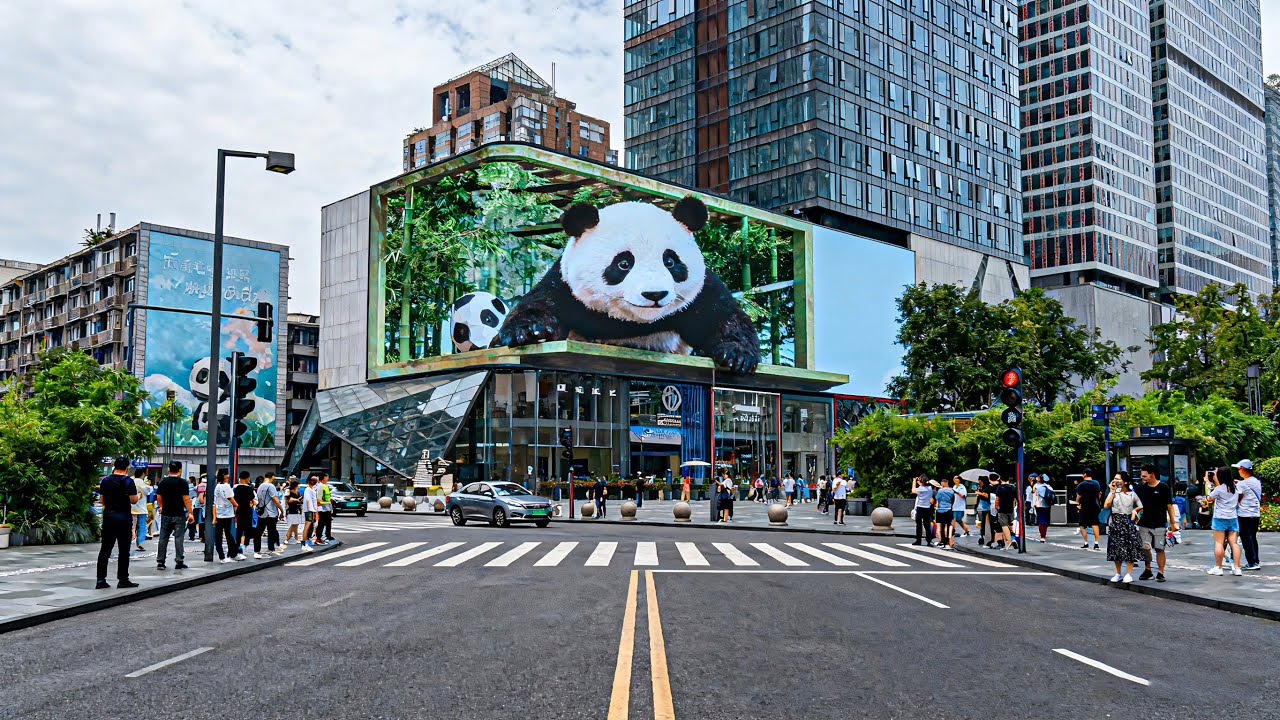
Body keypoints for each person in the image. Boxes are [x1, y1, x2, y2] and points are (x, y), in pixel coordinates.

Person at [96, 457, 141, 589]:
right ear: (127, 467)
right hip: (124, 518)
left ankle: (100, 580)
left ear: (114, 466)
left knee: (105, 548)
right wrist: (137, 495)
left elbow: (101, 500)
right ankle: (123, 579)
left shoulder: (105, 481)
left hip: (109, 517)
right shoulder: (128, 481)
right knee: (124, 549)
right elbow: (133, 500)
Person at [1132, 463, 1177, 583]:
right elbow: (1136, 504)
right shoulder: (1141, 488)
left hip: (1159, 522)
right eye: (1142, 475)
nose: (1143, 478)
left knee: (1159, 548)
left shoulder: (1163, 487)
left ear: (1152, 474)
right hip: (1144, 522)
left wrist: (1173, 523)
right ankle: (1148, 569)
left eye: (1145, 475)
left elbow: (1169, 506)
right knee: (1145, 548)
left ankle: (1161, 572)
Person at [1202, 466, 1244, 576]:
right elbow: (1241, 495)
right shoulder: (1235, 487)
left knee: (1219, 543)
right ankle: (1237, 568)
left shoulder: (1219, 489)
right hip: (1232, 517)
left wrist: (1207, 483)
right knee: (1234, 543)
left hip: (1220, 517)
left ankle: (1218, 567)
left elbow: (1209, 499)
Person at [1104, 472, 1143, 583]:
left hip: (1128, 521)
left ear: (1125, 481)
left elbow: (1140, 505)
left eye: (1118, 479)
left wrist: (1135, 511)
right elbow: (1106, 505)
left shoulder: (1132, 494)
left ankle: (1128, 573)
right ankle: (1118, 573)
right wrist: (1112, 491)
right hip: (1115, 521)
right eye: (1114, 478)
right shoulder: (1113, 493)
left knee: (1129, 547)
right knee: (1115, 548)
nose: (1115, 480)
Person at [154, 461, 192, 570]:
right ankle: (179, 561)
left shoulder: (163, 482)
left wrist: (161, 507)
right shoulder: (183, 483)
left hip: (166, 513)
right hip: (179, 514)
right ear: (180, 470)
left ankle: (160, 562)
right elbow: (186, 499)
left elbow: (159, 497)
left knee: (163, 538)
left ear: (168, 469)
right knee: (179, 538)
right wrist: (190, 513)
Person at [1234, 459, 1263, 570]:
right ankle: (1256, 560)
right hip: (1255, 514)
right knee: (1253, 537)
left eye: (1239, 469)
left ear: (1243, 469)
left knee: (1246, 538)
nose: (1238, 471)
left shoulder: (1242, 484)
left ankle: (1252, 562)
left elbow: (1238, 498)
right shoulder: (1256, 481)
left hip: (1244, 514)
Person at [212, 469, 241, 562]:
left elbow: (215, 503)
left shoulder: (217, 486)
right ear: (224, 475)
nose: (229, 475)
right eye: (227, 474)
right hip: (227, 513)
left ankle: (222, 556)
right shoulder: (226, 486)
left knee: (219, 535)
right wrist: (237, 505)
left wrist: (214, 517)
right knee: (228, 534)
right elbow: (231, 498)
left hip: (219, 513)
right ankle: (232, 553)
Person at [256, 471, 283, 556]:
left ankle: (257, 549)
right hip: (271, 512)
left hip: (262, 512)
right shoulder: (271, 486)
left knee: (259, 531)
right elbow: (275, 499)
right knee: (271, 531)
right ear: (272, 477)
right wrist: (281, 510)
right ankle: (270, 548)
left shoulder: (260, 486)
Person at [1074, 469, 1102, 550]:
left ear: (1085, 474)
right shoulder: (1096, 483)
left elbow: (1079, 496)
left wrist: (1077, 503)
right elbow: (1099, 495)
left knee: (1082, 525)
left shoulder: (1081, 485)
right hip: (1094, 506)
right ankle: (1096, 543)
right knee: (1095, 524)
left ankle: (1086, 543)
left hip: (1085, 506)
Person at [232, 471, 258, 557]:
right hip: (247, 511)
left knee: (239, 530)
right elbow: (253, 500)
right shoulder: (250, 489)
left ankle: (238, 548)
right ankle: (246, 546)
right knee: (248, 530)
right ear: (247, 478)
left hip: (238, 511)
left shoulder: (235, 488)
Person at [992, 475, 1018, 550]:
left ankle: (1009, 542)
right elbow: (1015, 499)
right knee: (1010, 525)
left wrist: (996, 507)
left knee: (1004, 525)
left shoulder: (999, 488)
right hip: (1010, 508)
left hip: (1002, 508)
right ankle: (1010, 540)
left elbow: (997, 499)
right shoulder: (1012, 487)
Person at [910, 475, 935, 546]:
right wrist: (919, 481)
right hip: (928, 508)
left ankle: (918, 540)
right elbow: (923, 484)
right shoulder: (930, 488)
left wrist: (914, 481)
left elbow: (913, 490)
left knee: (919, 525)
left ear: (922, 482)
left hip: (920, 508)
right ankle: (929, 540)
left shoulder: (920, 489)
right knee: (927, 525)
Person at [301, 475, 323, 550]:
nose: (315, 482)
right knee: (307, 526)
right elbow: (308, 501)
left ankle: (306, 543)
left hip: (311, 510)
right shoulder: (308, 490)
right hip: (309, 510)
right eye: (314, 480)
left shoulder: (311, 490)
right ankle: (304, 544)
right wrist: (313, 510)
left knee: (309, 527)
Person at [130, 469, 148, 553]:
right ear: (143, 474)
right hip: (141, 508)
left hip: (131, 507)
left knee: (131, 525)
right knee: (141, 526)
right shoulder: (141, 482)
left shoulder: (130, 481)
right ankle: (140, 542)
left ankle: (130, 539)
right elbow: (147, 491)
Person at [1031, 473, 1053, 543]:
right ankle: (1044, 534)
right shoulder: (1048, 486)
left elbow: (1033, 494)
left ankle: (1042, 536)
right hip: (1047, 505)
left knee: (1041, 521)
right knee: (1046, 520)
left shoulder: (1036, 486)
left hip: (1039, 505)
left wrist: (1034, 504)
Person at [935, 477, 956, 549]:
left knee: (942, 526)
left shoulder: (940, 491)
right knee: (948, 526)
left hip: (940, 510)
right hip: (948, 509)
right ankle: (947, 542)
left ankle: (942, 542)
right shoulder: (952, 491)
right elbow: (953, 500)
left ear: (942, 483)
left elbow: (937, 499)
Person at [283, 478, 303, 545]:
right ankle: (287, 538)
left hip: (297, 509)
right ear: (295, 485)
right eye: (298, 484)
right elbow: (288, 499)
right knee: (293, 524)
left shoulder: (298, 492)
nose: (299, 485)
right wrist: (297, 500)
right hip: (291, 509)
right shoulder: (289, 491)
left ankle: (296, 538)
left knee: (296, 524)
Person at [316, 473, 334, 543]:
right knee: (322, 523)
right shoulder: (321, 486)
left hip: (326, 507)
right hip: (323, 507)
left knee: (327, 522)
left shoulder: (324, 486)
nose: (327, 478)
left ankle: (327, 535)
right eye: (326, 477)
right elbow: (319, 498)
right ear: (324, 478)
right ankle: (319, 536)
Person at [975, 477, 992, 545]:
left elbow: (987, 495)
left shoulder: (988, 488)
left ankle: (986, 536)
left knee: (985, 522)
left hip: (986, 507)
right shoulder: (980, 488)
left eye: (979, 480)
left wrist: (979, 493)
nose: (978, 482)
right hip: (980, 507)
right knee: (981, 522)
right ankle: (982, 535)